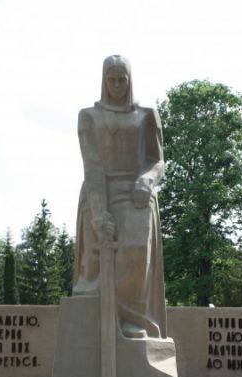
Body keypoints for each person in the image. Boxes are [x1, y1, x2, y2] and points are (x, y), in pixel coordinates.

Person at [72, 55, 167, 339]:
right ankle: (96, 321)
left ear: (129, 79)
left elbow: (158, 161)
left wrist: (147, 180)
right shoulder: (88, 116)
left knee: (136, 249)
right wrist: (99, 213)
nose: (116, 85)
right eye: (111, 79)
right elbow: (92, 165)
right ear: (104, 80)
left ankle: (132, 319)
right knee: (98, 254)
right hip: (100, 188)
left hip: (136, 191)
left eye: (121, 79)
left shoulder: (147, 114)